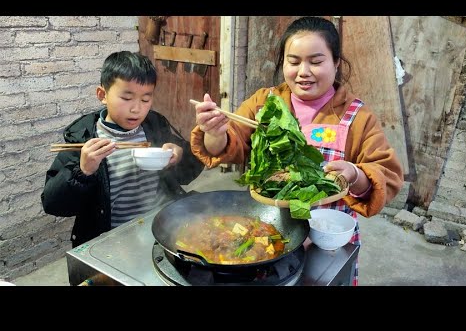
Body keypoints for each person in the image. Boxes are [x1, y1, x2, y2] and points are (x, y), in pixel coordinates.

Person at [190, 16, 404, 285]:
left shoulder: (357, 116)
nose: (303, 71)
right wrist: (214, 132)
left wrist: (355, 174)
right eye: (293, 62)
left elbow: (386, 175)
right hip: (266, 229)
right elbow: (228, 147)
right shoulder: (264, 103)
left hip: (325, 238)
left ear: (336, 62)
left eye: (316, 61)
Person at [42, 51, 204, 247]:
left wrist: (179, 156)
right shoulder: (84, 138)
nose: (137, 108)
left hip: (161, 226)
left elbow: (188, 173)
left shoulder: (154, 125)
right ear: (102, 95)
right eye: (127, 98)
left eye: (145, 99)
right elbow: (53, 204)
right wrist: (83, 172)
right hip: (114, 239)